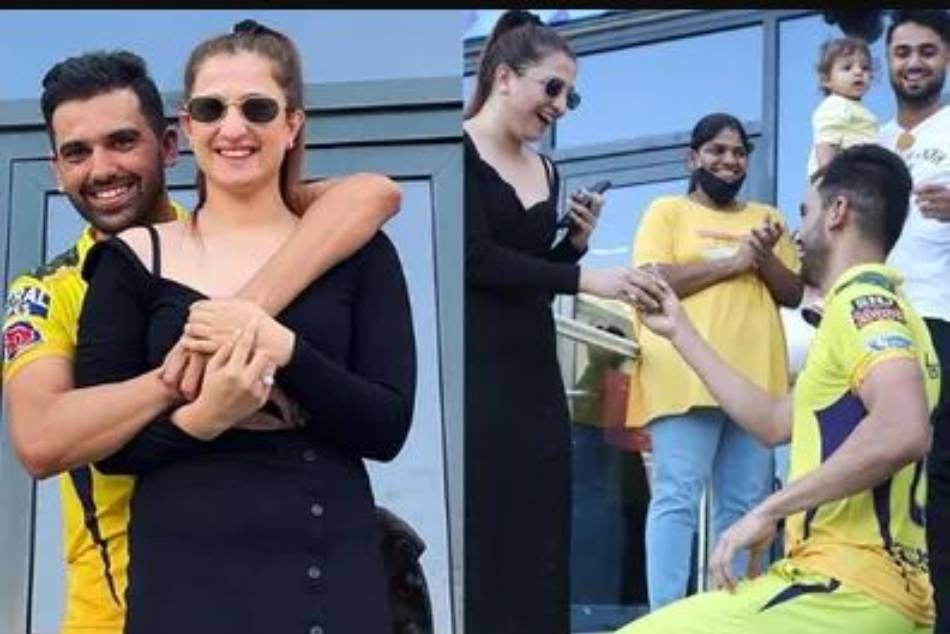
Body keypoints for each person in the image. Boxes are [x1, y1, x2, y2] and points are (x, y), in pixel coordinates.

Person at [2, 41, 401, 634]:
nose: (102, 169)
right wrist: (190, 376)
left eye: (122, 142)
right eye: (77, 152)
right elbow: (41, 440)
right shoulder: (47, 288)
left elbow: (373, 194)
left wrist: (244, 316)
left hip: (296, 579)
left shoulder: (253, 230)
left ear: (171, 144)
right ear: (57, 171)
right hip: (112, 606)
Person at [618, 144, 938, 634]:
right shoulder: (898, 313)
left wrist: (769, 509)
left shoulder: (861, 301)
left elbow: (903, 429)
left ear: (837, 212)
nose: (796, 233)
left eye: (805, 213)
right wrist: (680, 330)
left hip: (844, 590)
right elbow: (773, 422)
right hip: (876, 596)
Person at [463, 9, 663, 634]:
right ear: (504, 77)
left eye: (570, 96)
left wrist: (573, 245)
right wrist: (585, 277)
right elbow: (475, 260)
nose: (560, 106)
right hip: (476, 367)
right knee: (487, 527)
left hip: (533, 369)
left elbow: (531, 276)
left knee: (541, 524)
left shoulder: (547, 170)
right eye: (552, 88)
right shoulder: (456, 150)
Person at [627, 112, 802, 611]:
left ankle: (734, 614)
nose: (729, 160)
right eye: (717, 151)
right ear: (693, 158)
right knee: (677, 498)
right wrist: (731, 264)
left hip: (755, 387)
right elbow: (650, 280)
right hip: (683, 378)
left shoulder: (768, 219)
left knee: (745, 506)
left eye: (739, 152)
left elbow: (792, 293)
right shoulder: (667, 211)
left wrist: (763, 258)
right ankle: (667, 615)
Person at [878, 9, 950, 632]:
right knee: (887, 476)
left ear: (946, 58)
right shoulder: (870, 141)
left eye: (927, 51)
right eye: (903, 52)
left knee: (940, 477)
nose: (914, 63)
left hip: (942, 320)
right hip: (878, 327)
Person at [807, 36, 878, 180]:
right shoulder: (835, 105)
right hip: (840, 181)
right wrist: (830, 179)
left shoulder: (861, 110)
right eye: (847, 68)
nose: (858, 72)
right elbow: (825, 144)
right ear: (826, 80)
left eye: (865, 68)